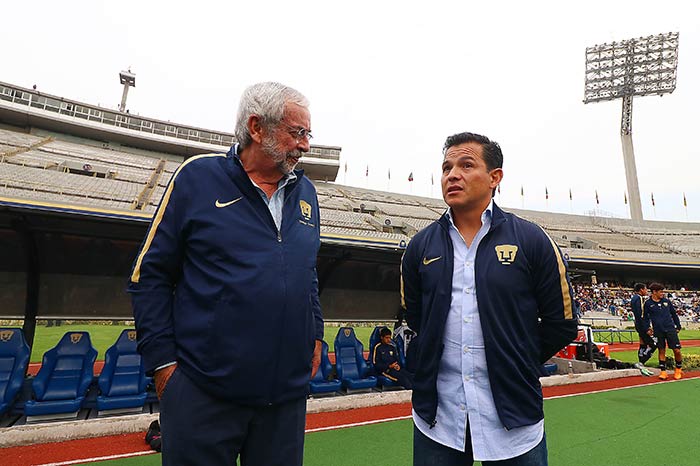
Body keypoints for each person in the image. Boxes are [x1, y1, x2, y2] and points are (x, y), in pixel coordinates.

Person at [128, 82, 323, 466]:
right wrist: (165, 368)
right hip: (203, 394)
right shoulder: (196, 179)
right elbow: (148, 275)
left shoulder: (308, 194)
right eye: (296, 132)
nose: (305, 146)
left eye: (308, 134)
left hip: (283, 402)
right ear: (256, 127)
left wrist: (314, 333)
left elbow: (307, 273)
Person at [401, 132, 578, 465]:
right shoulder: (420, 247)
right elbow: (416, 318)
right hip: (438, 418)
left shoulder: (532, 239)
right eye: (447, 167)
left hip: (514, 417)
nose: (453, 174)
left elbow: (562, 323)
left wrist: (516, 359)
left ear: (495, 177)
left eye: (467, 165)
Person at [643, 283, 682, 380]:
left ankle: (678, 369)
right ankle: (663, 372)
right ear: (654, 292)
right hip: (658, 330)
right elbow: (646, 318)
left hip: (670, 328)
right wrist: (648, 328)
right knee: (661, 350)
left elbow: (674, 314)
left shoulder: (666, 301)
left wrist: (678, 325)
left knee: (676, 350)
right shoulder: (648, 304)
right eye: (661, 292)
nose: (662, 293)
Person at [629, 283, 655, 375]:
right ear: (641, 290)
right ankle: (641, 362)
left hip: (638, 324)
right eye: (645, 289)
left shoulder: (633, 298)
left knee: (643, 344)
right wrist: (647, 327)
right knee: (653, 344)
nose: (646, 291)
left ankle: (641, 361)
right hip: (642, 325)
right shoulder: (639, 299)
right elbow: (641, 314)